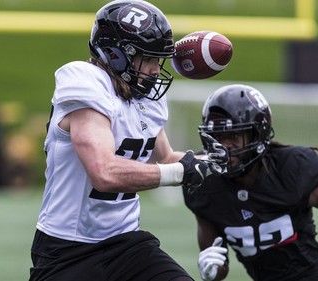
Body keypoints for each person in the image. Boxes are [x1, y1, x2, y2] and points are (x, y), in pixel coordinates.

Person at [29, 1, 225, 280]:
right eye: (148, 58)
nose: (156, 70)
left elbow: (166, 158)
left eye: (158, 60)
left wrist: (221, 163)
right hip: (67, 251)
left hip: (127, 244)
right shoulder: (85, 81)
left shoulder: (145, 95)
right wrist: (184, 172)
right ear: (115, 54)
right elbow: (104, 173)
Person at [183, 84, 318, 281]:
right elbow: (218, 264)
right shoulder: (204, 183)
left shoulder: (290, 169)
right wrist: (210, 270)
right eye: (217, 137)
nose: (223, 147)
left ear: (258, 134)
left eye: (233, 136)